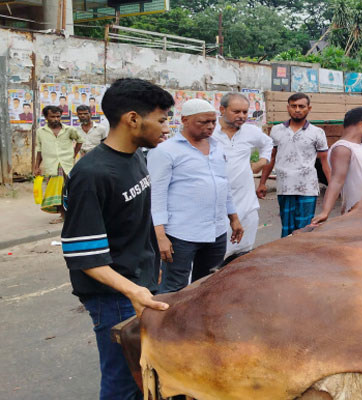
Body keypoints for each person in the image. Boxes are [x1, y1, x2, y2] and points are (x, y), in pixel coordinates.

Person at [61, 78, 173, 400]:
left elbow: (138, 218)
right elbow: (84, 256)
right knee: (123, 381)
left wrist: (151, 266)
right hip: (113, 295)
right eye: (162, 119)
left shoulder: (137, 156)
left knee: (146, 373)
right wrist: (133, 289)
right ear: (133, 119)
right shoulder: (92, 175)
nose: (166, 128)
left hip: (139, 284)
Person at [148, 99, 244, 293]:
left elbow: (223, 185)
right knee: (174, 288)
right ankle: (168, 323)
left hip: (216, 231)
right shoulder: (166, 151)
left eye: (213, 122)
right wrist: (160, 237)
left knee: (208, 284)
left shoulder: (216, 148)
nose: (209, 127)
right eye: (203, 122)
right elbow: (156, 196)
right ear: (184, 120)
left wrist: (233, 218)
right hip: (181, 234)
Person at [257, 93, 331, 237]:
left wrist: (332, 187)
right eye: (294, 106)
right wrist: (262, 183)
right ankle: (286, 257)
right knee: (287, 228)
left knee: (305, 230)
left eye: (301, 106)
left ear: (309, 108)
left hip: (307, 188)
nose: (297, 110)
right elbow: (271, 157)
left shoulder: (317, 133)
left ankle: (303, 257)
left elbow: (324, 162)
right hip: (285, 188)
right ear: (288, 108)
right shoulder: (277, 130)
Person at [212, 93, 274, 260]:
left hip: (246, 201)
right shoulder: (210, 133)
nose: (242, 116)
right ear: (222, 109)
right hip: (217, 204)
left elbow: (268, 143)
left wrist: (262, 161)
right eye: (236, 111)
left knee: (243, 252)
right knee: (217, 254)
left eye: (245, 112)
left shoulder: (250, 131)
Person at [33, 105, 84, 223]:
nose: (56, 119)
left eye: (58, 116)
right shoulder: (41, 132)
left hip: (67, 165)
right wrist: (36, 167)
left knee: (69, 190)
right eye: (52, 116)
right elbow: (39, 150)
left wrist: (73, 154)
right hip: (51, 165)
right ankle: (63, 215)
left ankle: (69, 215)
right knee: (59, 191)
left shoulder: (69, 130)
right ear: (46, 117)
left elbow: (80, 140)